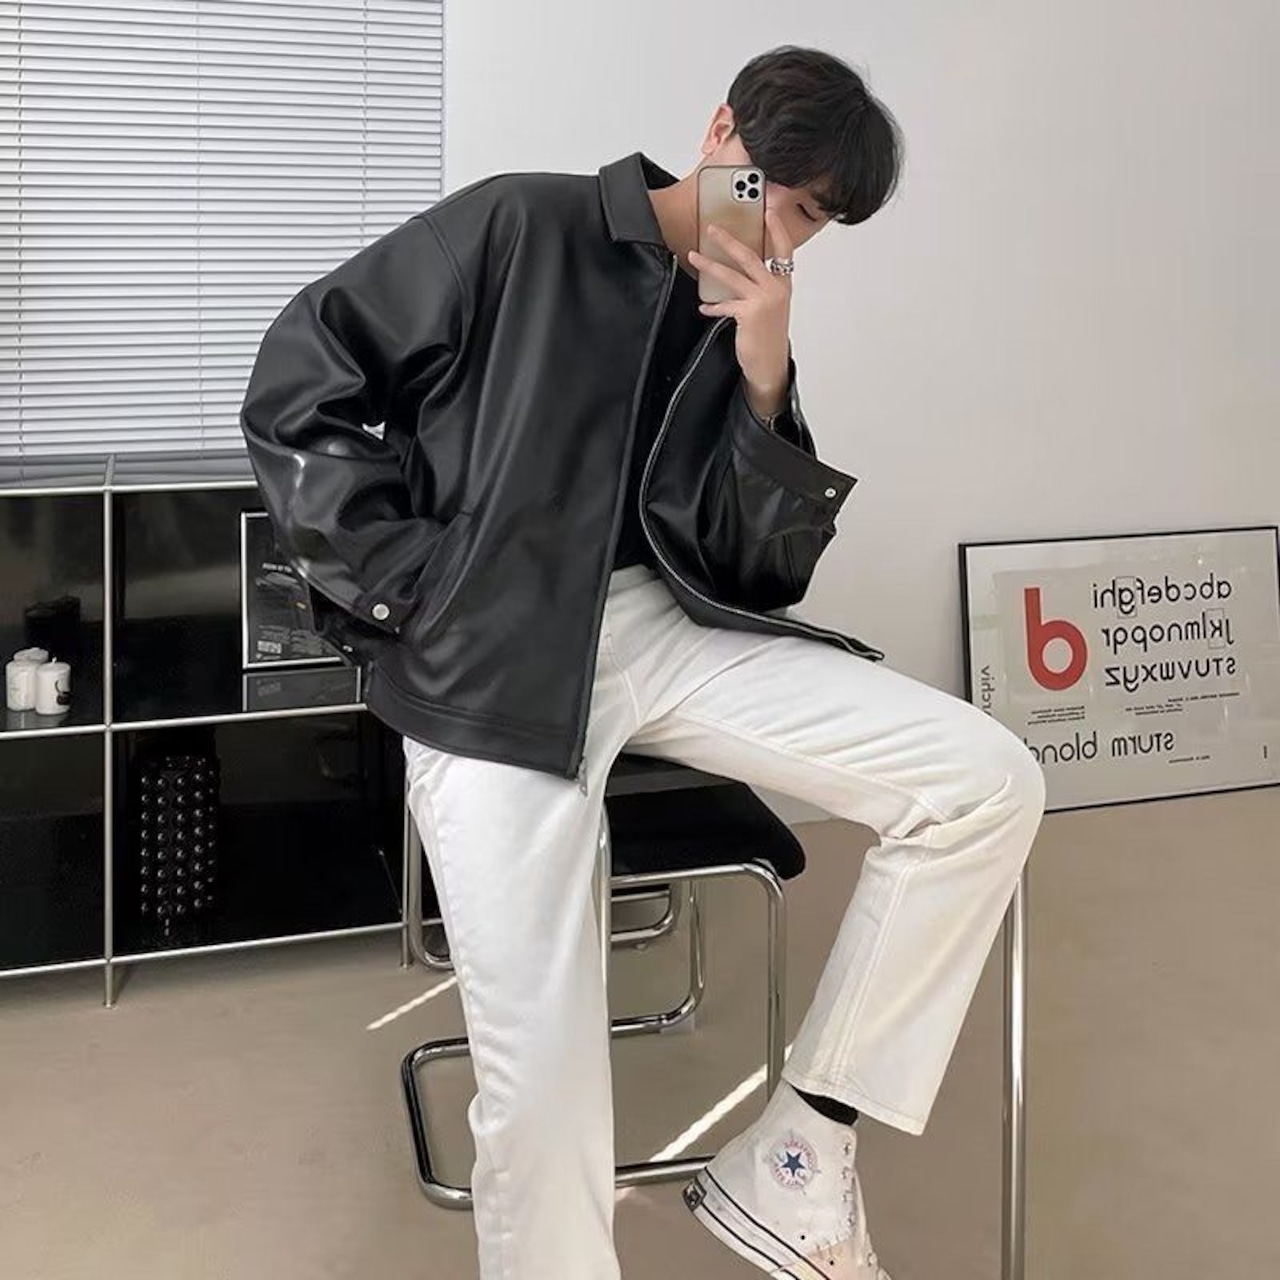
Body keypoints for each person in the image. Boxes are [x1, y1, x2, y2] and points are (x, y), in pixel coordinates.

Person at [240, 44, 1046, 1280]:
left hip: (666, 634)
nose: (778, 229)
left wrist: (764, 376)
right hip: (493, 657)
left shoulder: (739, 314)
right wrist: (415, 584)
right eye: (772, 191)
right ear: (719, 129)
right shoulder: (523, 223)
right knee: (544, 1073)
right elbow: (302, 379)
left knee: (985, 781)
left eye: (812, 219)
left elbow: (757, 570)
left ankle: (797, 1152)